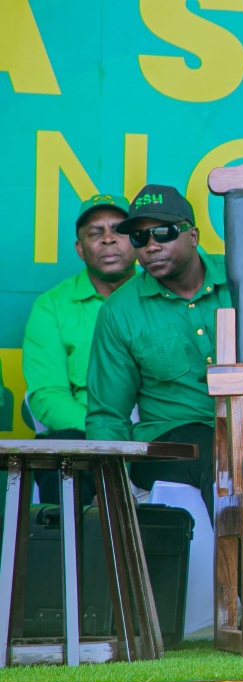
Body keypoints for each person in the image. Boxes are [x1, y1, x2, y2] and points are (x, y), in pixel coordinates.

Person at [84, 184, 243, 632]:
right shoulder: (120, 312)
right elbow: (107, 414)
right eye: (139, 237)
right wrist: (108, 485)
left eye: (162, 232)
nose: (150, 245)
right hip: (174, 441)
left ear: (193, 235)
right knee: (220, 455)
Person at [22, 193, 135, 503]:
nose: (108, 239)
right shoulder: (52, 306)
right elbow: (47, 396)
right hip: (85, 430)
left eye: (119, 230)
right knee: (61, 456)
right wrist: (106, 433)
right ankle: (69, 538)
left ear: (137, 239)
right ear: (80, 249)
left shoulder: (160, 296)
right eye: (95, 233)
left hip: (153, 432)